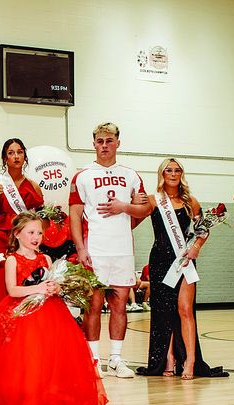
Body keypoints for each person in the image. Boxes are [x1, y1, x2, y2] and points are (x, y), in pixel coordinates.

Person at [0, 212, 107, 405]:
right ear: (18, 234)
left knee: (51, 354)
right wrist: (37, 289)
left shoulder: (46, 258)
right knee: (26, 356)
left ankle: (48, 395)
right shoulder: (12, 259)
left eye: (39, 232)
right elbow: (12, 290)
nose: (36, 237)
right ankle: (26, 397)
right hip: (22, 313)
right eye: (30, 232)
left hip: (50, 311)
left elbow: (51, 282)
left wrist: (54, 287)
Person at [68, 122, 151, 379]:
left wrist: (123, 208)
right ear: (93, 143)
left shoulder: (131, 175)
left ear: (118, 142)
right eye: (100, 141)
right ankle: (93, 360)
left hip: (122, 250)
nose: (105, 145)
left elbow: (145, 210)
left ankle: (116, 358)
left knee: (120, 305)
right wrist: (80, 248)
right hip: (95, 249)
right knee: (92, 306)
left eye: (109, 140)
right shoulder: (82, 176)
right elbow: (74, 215)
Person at [134, 159, 228, 380]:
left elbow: (203, 230)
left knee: (185, 309)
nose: (173, 174)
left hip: (184, 260)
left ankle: (191, 361)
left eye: (177, 170)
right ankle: (168, 359)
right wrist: (130, 202)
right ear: (162, 173)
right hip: (159, 261)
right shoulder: (153, 200)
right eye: (169, 170)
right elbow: (132, 219)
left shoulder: (190, 202)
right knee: (163, 312)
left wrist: (195, 249)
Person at [0, 138, 45, 254]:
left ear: (25, 157)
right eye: (11, 153)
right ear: (5, 158)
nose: (16, 156)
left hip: (26, 238)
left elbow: (42, 218)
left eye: (20, 152)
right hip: (2, 236)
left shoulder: (34, 186)